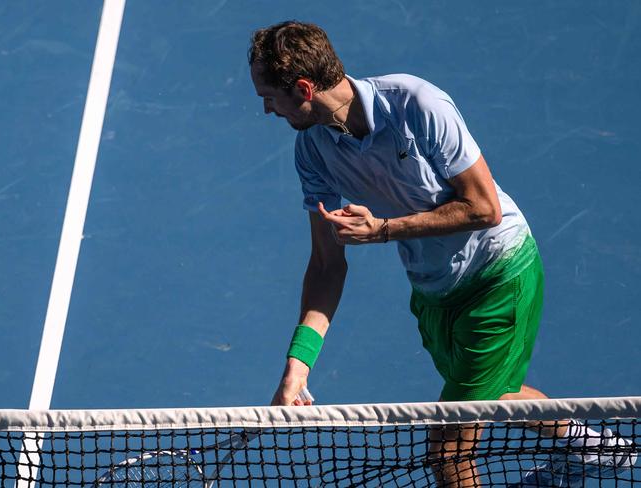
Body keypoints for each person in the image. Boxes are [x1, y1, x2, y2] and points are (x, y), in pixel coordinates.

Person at [248, 20, 635, 487]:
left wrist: (386, 230)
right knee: (492, 391)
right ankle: (591, 447)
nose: (266, 110)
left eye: (268, 96)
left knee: (447, 448)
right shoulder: (311, 151)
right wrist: (298, 365)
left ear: (305, 88)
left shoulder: (416, 104)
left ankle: (588, 449)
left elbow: (484, 207)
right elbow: (327, 265)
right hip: (434, 289)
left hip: (498, 273)